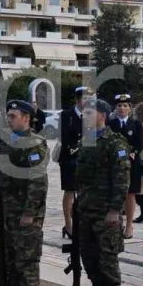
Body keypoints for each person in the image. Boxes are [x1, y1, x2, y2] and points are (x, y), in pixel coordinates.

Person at [72, 98, 130, 286]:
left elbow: (121, 180)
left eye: (89, 113)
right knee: (89, 255)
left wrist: (115, 210)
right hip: (86, 209)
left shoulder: (116, 143)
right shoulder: (85, 141)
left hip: (106, 211)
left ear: (102, 117)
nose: (84, 116)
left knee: (107, 256)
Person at [0, 99, 49, 286]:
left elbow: (37, 182)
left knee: (27, 258)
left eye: (13, 116)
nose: (9, 119)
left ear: (26, 118)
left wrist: (29, 212)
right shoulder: (10, 142)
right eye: (8, 116)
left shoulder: (34, 143)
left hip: (25, 213)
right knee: (12, 257)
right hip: (9, 210)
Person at [109, 94, 143, 240]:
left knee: (130, 194)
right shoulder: (111, 124)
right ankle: (115, 224)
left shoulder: (136, 124)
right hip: (115, 164)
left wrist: (130, 153)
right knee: (114, 193)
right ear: (115, 108)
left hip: (131, 164)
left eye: (125, 106)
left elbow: (139, 144)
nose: (122, 108)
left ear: (130, 108)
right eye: (119, 106)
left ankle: (129, 225)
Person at [58, 87, 88, 239]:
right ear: (77, 100)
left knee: (85, 192)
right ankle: (68, 224)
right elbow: (64, 138)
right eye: (84, 98)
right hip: (70, 157)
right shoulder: (67, 115)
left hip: (86, 159)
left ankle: (82, 223)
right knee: (70, 191)